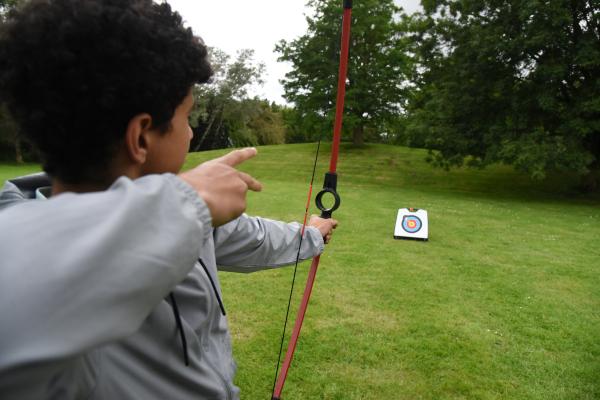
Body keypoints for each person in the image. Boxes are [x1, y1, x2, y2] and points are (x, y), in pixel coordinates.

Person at [0, 1, 337, 399]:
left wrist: (311, 234)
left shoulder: (184, 218)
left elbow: (254, 237)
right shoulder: (27, 249)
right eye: (187, 117)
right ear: (141, 137)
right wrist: (187, 199)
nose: (192, 134)